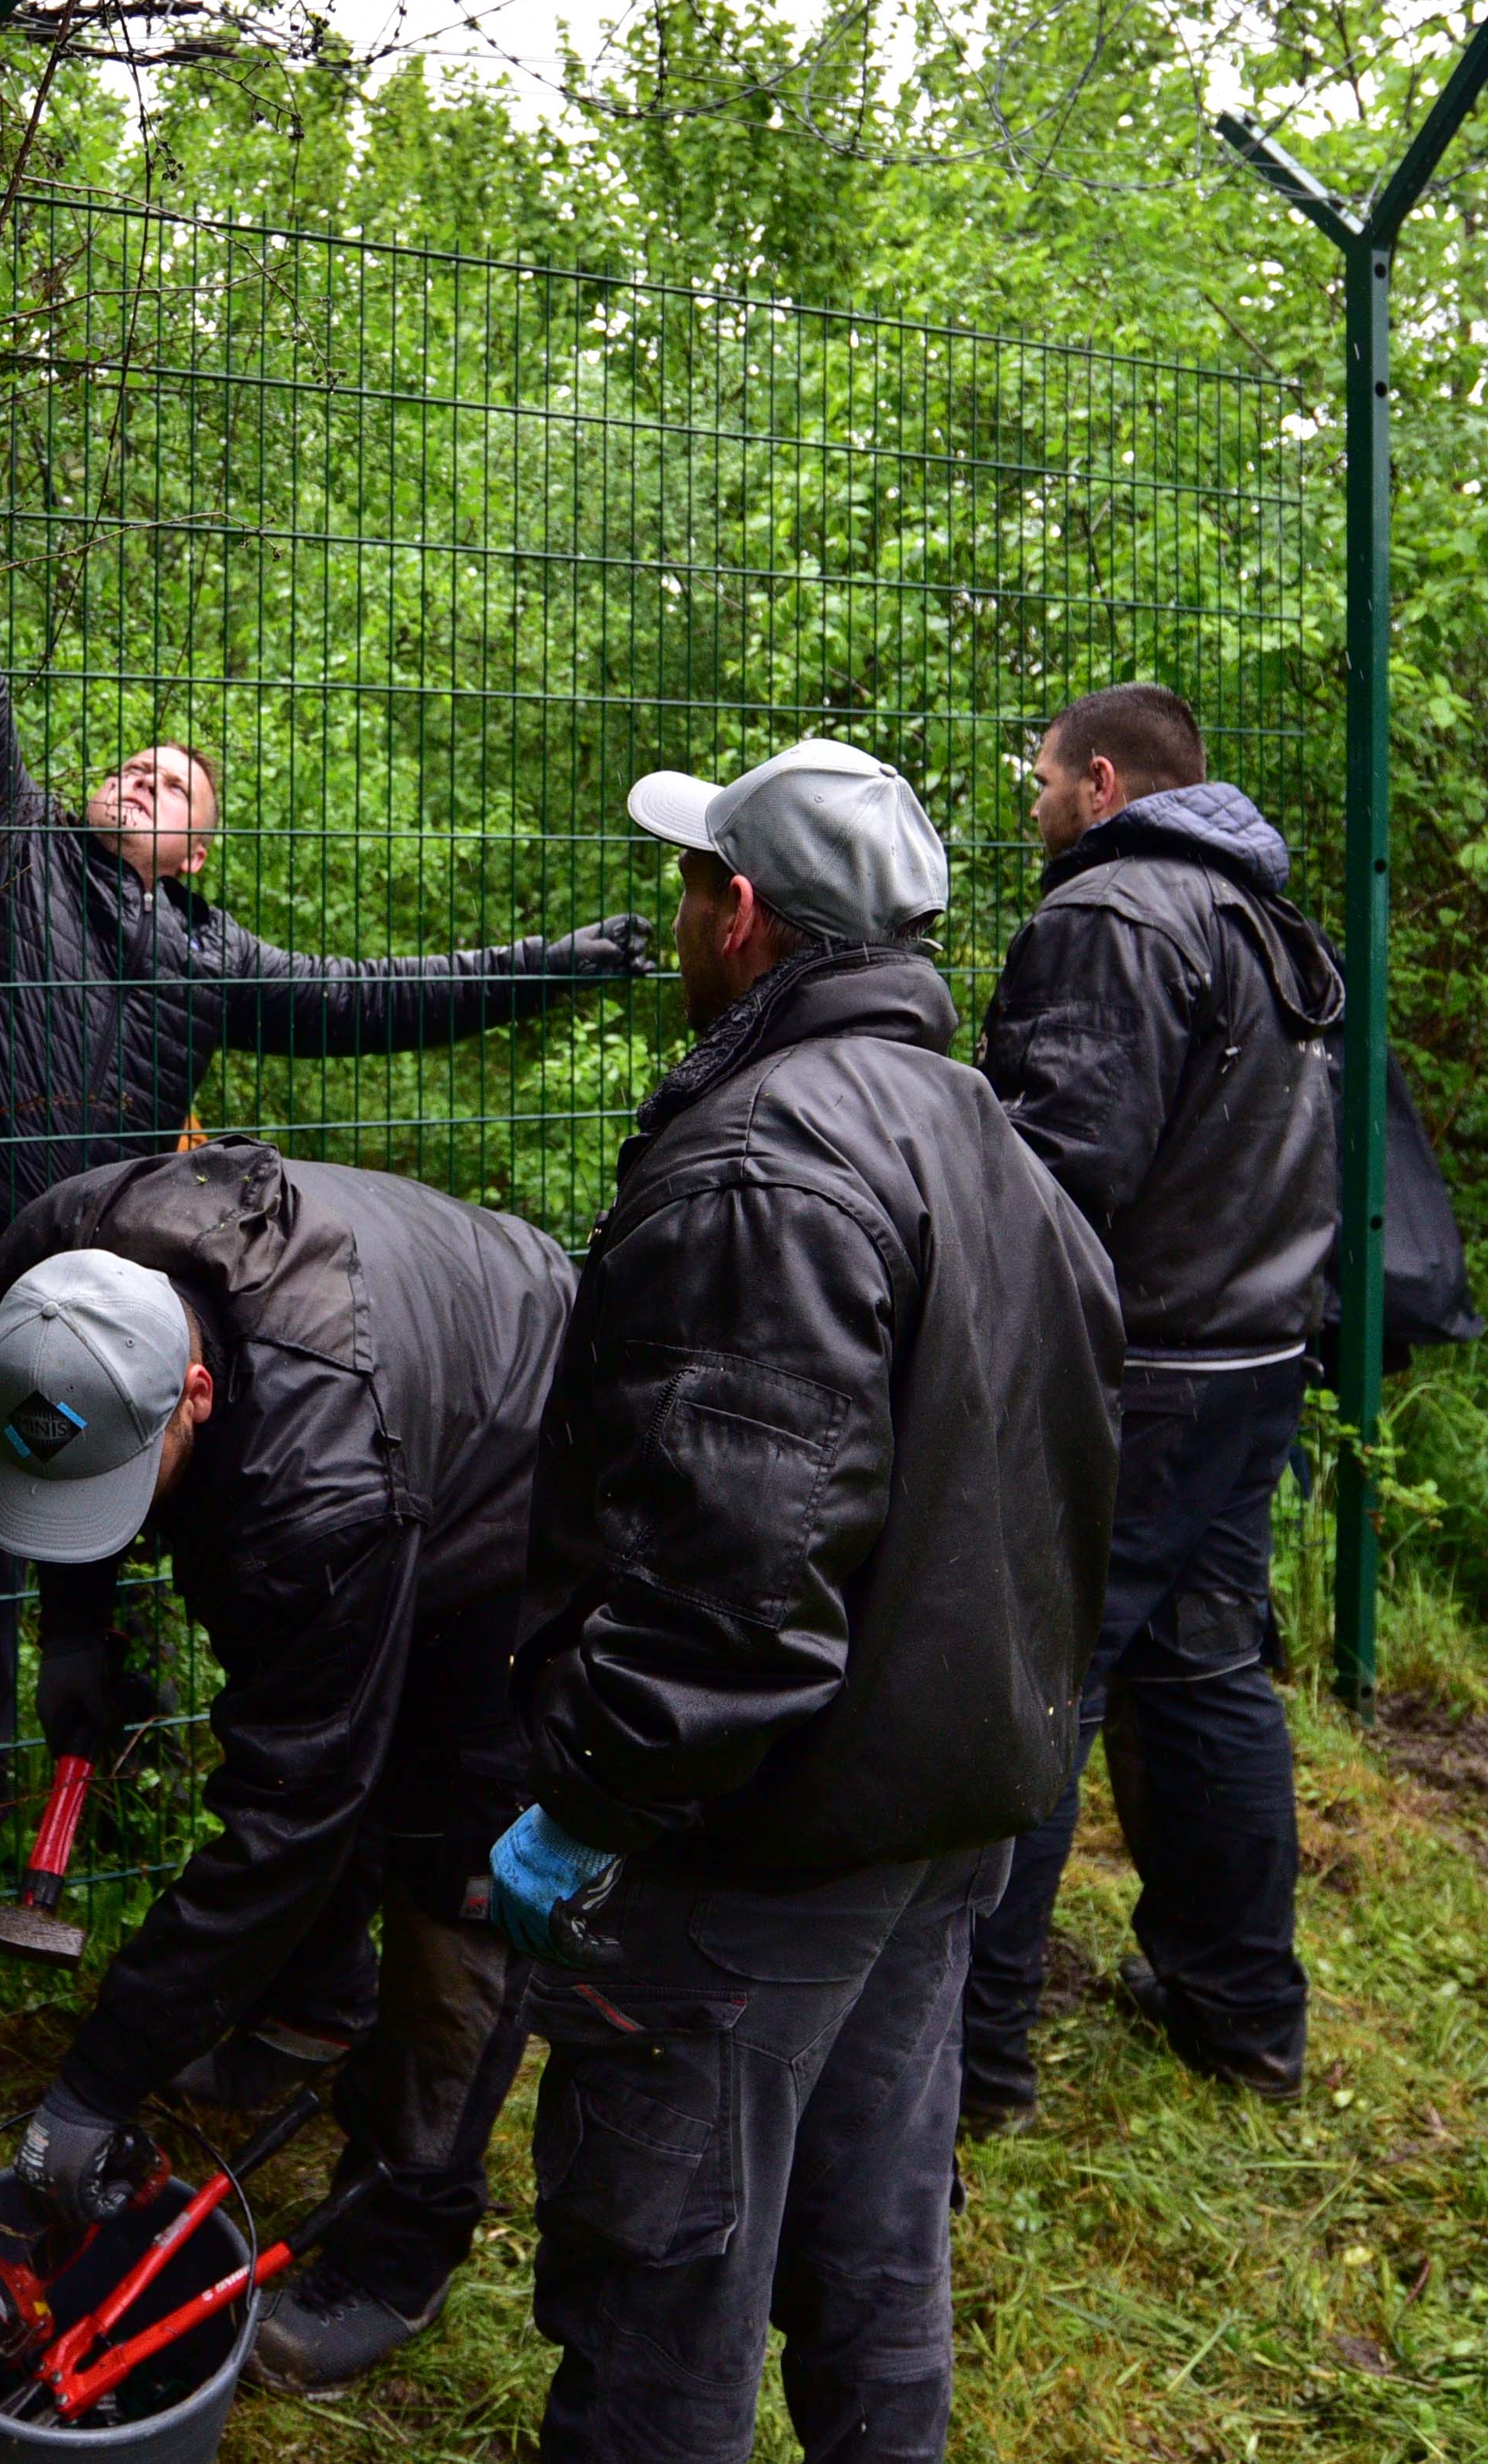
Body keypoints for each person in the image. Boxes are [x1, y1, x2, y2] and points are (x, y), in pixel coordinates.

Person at [493, 739, 1120, 2464]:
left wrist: (588, 1805)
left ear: (742, 914)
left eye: (694, 880)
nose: (680, 910)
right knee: (871, 2243)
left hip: (753, 1854)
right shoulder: (987, 1139)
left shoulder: (765, 1163)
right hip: (937, 1817)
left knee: (659, 2293)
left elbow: (731, 1588)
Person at [0, 490, 652, 1809]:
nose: (151, 774)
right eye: (135, 764)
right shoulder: (9, 849)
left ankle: (105, 1787)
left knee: (119, 1543)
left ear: (201, 849)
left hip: (104, 1306)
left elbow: (379, 999)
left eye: (182, 785)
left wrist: (549, 969)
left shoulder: (215, 959)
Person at [0, 1139, 571, 2395]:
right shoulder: (51, 1270)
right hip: (370, 1396)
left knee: (447, 1835)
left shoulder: (317, 1483)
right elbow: (69, 1422)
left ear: (192, 1392)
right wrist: (77, 1627)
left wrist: (101, 2077)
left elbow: (290, 1810)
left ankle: (397, 2237)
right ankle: (310, 2009)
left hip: (521, 1439)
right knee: (309, 1710)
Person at [956, 682, 1346, 2125]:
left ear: (1103, 783)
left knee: (1035, 1690)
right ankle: (1239, 2012)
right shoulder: (1264, 917)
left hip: (1140, 1375)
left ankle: (975, 2062)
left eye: (1044, 776)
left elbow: (1058, 1169)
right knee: (1202, 1673)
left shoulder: (1112, 918)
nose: (1035, 801)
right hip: (1252, 1362)